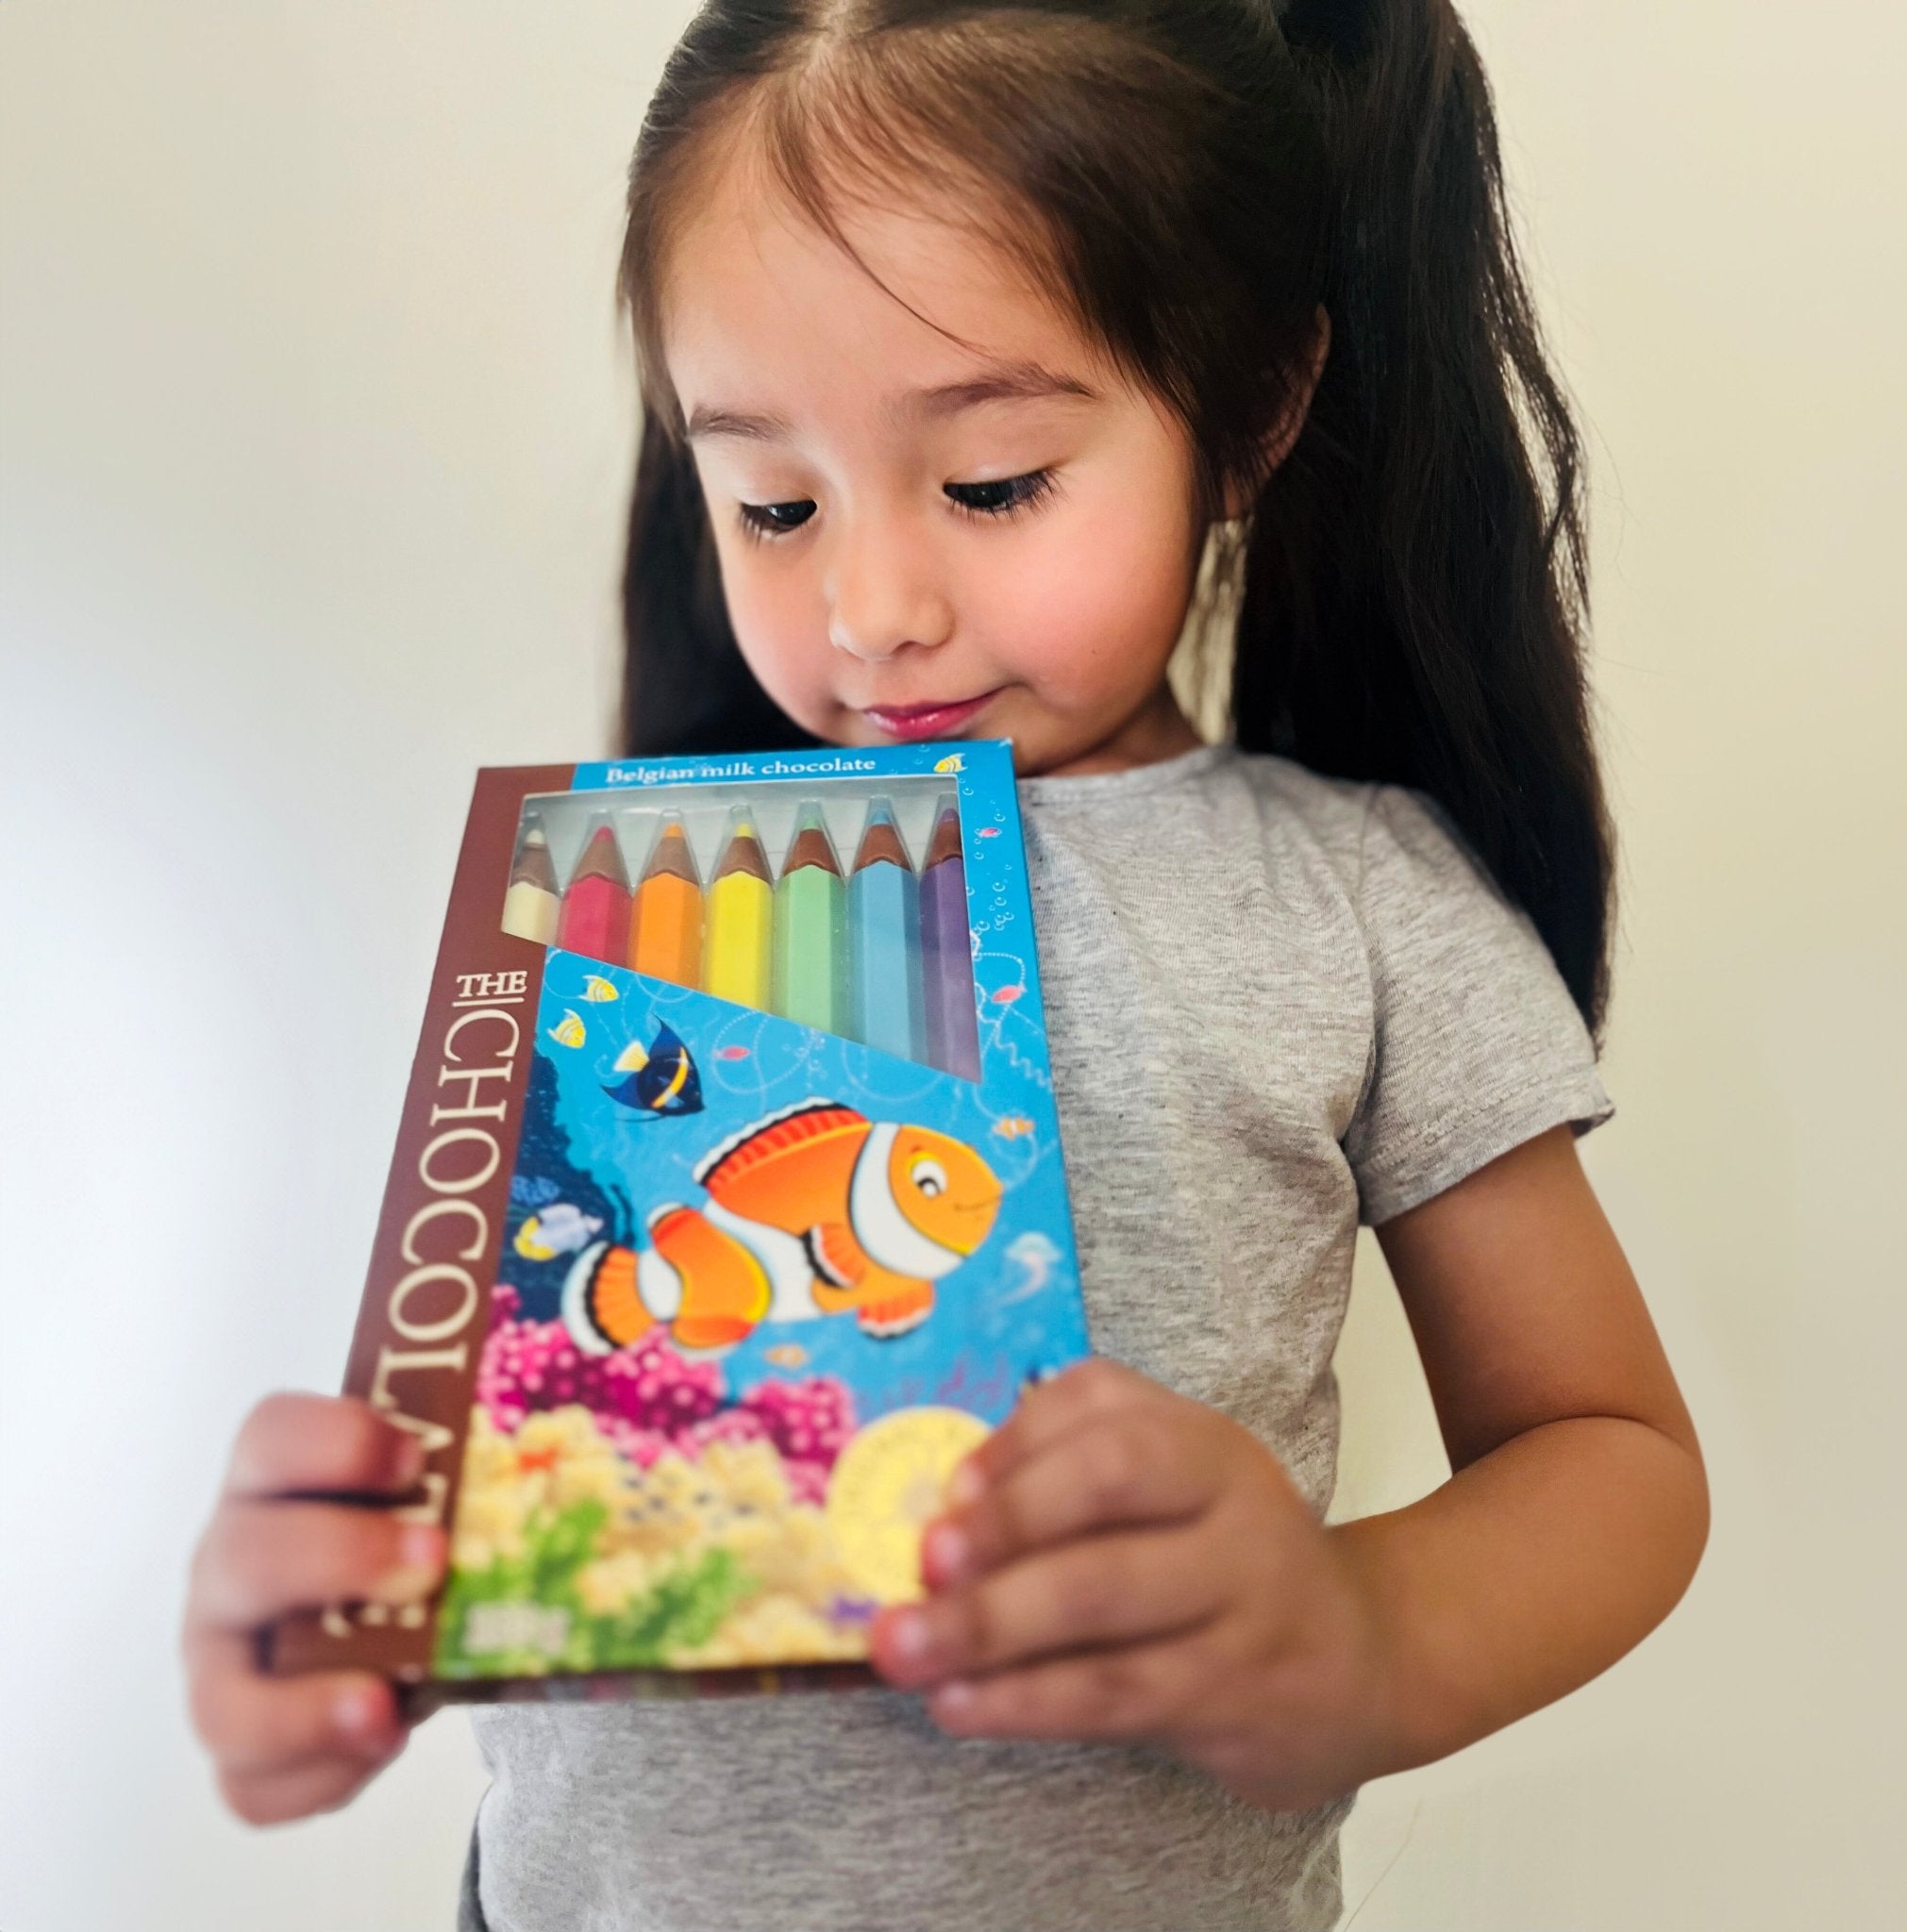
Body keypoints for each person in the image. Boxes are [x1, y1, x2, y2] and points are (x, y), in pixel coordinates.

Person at [181, 3, 1711, 1926]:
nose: (871, 609)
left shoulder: (1357, 909)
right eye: (772, 500)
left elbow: (1610, 1451)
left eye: (991, 484)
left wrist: (1363, 1632)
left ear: (1250, 411)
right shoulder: (633, 921)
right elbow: (520, 1454)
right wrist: (328, 1615)